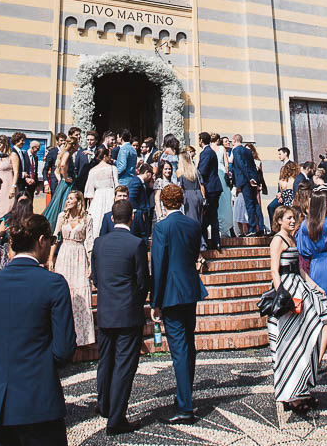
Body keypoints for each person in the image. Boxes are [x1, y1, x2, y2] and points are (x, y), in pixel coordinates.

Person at [0, 213, 75, 446]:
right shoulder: (53, 284)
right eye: (50, 239)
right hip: (38, 402)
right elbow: (64, 349)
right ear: (41, 241)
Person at [91, 199, 150, 436]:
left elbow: (95, 277)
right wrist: (135, 300)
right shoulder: (136, 243)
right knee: (124, 366)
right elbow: (142, 280)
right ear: (132, 217)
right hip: (128, 312)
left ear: (112, 218)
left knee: (105, 360)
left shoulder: (99, 243)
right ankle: (116, 419)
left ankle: (104, 404)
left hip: (105, 310)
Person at [151, 183, 208, 424]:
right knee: (189, 343)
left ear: (163, 203)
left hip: (171, 293)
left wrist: (155, 301)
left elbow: (159, 264)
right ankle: (184, 394)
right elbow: (194, 253)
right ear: (182, 201)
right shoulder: (194, 225)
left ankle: (185, 406)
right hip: (190, 288)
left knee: (179, 349)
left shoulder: (161, 227)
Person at [266, 206, 326, 413]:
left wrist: (315, 286)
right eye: (289, 218)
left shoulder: (291, 239)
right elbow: (274, 270)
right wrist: (283, 296)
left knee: (304, 339)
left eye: (294, 218)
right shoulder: (277, 240)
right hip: (288, 292)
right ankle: (291, 395)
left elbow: (299, 268)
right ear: (279, 220)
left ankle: (301, 389)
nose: (293, 221)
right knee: (290, 343)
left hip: (298, 287)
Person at [296, 187, 327, 376]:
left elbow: (302, 251)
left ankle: (312, 361)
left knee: (316, 317)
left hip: (314, 266)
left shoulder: (304, 226)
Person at [49, 190, 95, 347]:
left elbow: (89, 242)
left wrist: (91, 264)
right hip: (64, 253)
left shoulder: (87, 218)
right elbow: (55, 238)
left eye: (71, 199)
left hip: (79, 254)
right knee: (65, 292)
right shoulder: (63, 217)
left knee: (81, 291)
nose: (68, 201)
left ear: (78, 201)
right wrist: (51, 259)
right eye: (67, 198)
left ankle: (83, 336)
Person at [230, 134, 263, 237]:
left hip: (245, 180)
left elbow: (241, 164)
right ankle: (260, 227)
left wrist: (249, 179)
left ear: (235, 140)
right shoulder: (248, 151)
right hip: (252, 179)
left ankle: (253, 229)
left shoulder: (236, 150)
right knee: (255, 204)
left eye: (232, 141)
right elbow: (252, 166)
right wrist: (255, 179)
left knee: (249, 204)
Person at [84, 147, 120, 241]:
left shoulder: (93, 170)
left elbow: (89, 191)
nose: (111, 158)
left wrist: (91, 205)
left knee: (96, 220)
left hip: (97, 196)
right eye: (109, 156)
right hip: (110, 194)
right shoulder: (113, 168)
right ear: (105, 156)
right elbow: (117, 185)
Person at [197, 132, 225, 249]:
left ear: (201, 140)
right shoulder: (211, 152)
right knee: (211, 215)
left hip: (210, 188)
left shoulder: (206, 153)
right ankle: (214, 241)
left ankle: (212, 241)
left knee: (209, 215)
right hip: (215, 187)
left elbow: (202, 171)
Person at [0, 136, 20, 220]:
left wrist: (13, 187)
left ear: (5, 144)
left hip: (8, 183)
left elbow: (16, 172)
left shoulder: (12, 155)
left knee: (8, 208)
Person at [128, 163, 156, 242]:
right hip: (139, 214)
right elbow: (131, 199)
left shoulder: (142, 183)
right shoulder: (136, 182)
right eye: (151, 174)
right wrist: (140, 213)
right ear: (147, 173)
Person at [178, 148, 204, 222]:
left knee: (191, 219)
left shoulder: (181, 173)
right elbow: (201, 185)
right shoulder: (195, 171)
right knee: (199, 219)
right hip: (198, 194)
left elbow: (180, 187)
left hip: (188, 196)